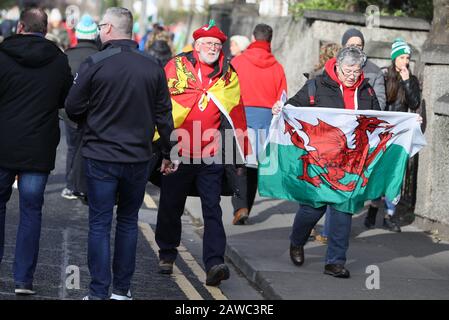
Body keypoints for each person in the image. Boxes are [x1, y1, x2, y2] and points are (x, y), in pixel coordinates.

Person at [65, 7, 175, 300]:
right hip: (138, 158)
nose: (100, 31)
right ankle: (122, 291)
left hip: (101, 155)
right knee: (128, 222)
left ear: (111, 29)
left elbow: (73, 107)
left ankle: (99, 292)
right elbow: (165, 114)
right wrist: (168, 151)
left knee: (100, 224)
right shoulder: (152, 66)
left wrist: (90, 122)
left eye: (102, 26)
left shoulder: (95, 62)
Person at [155, 20, 250, 286]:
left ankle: (214, 263)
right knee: (171, 206)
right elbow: (161, 104)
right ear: (196, 46)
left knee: (212, 209)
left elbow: (235, 114)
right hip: (178, 151)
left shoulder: (228, 74)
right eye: (207, 43)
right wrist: (163, 148)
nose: (212, 48)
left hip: (211, 154)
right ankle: (167, 252)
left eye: (217, 44)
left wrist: (238, 154)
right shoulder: (176, 67)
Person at [273, 47, 380, 278]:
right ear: (338, 66)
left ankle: (335, 262)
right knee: (313, 208)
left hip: (350, 162)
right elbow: (293, 107)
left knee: (343, 211)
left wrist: (409, 120)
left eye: (357, 70)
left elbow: (378, 120)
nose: (353, 75)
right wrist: (280, 109)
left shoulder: (366, 90)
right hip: (320, 159)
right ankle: (297, 240)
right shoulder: (316, 85)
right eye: (349, 70)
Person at [0, 7, 72, 295]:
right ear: (44, 30)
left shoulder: (2, 56)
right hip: (38, 148)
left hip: (3, 143)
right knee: (31, 211)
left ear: (20, 27)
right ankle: (23, 280)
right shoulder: (58, 60)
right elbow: (66, 100)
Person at [229, 23, 287, 225]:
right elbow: (282, 98)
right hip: (265, 120)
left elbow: (228, 89)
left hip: (241, 116)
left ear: (253, 39)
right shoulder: (278, 67)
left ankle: (240, 206)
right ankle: (246, 209)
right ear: (269, 41)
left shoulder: (238, 61)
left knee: (238, 163)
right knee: (253, 167)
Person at [364, 38, 421, 232]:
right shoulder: (385, 75)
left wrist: (406, 82)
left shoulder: (411, 79)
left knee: (394, 175)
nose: (405, 61)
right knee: (379, 171)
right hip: (383, 132)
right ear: (394, 58)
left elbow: (414, 104)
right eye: (402, 57)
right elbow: (379, 100)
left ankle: (389, 215)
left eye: (407, 58)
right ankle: (372, 209)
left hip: (400, 134)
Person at [61, 14, 99, 200]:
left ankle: (69, 185)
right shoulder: (100, 56)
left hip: (69, 112)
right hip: (94, 112)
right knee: (89, 148)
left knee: (71, 147)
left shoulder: (67, 55)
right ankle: (84, 185)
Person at [341, 28, 386, 110]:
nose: (355, 48)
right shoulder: (336, 67)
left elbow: (380, 101)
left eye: (358, 45)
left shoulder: (375, 71)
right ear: (343, 46)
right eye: (351, 45)